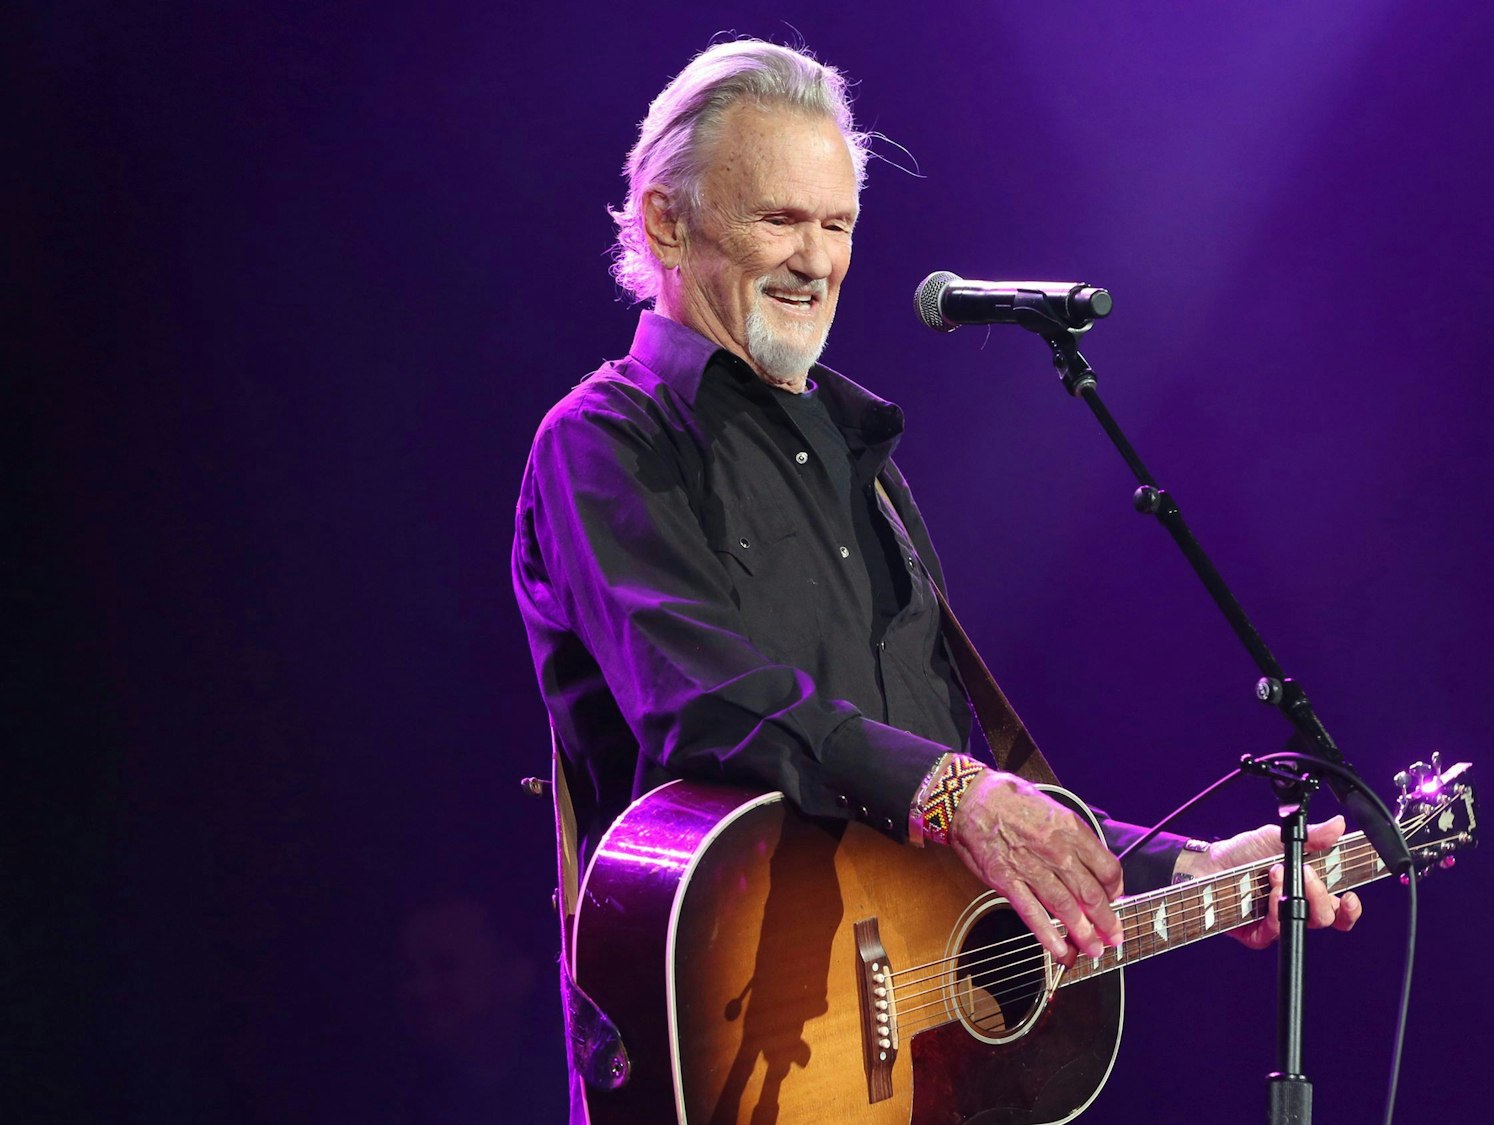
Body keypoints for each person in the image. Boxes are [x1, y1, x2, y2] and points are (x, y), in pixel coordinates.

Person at [511, 38, 1361, 983]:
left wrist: (1186, 867)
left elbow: (961, 772)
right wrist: (955, 794)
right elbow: (706, 701)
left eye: (837, 225)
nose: (816, 261)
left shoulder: (861, 457)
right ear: (667, 223)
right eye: (780, 220)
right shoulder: (603, 440)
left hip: (925, 1046)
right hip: (731, 1024)